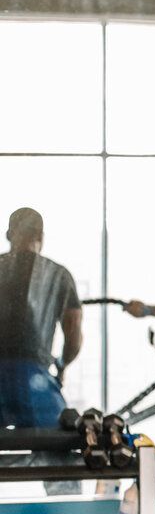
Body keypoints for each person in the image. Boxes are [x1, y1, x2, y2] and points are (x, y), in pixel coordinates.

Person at [0, 208, 83, 496]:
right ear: (41, 237)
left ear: (8, 234)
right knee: (63, 461)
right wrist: (61, 366)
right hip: (34, 382)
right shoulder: (59, 275)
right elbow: (73, 335)